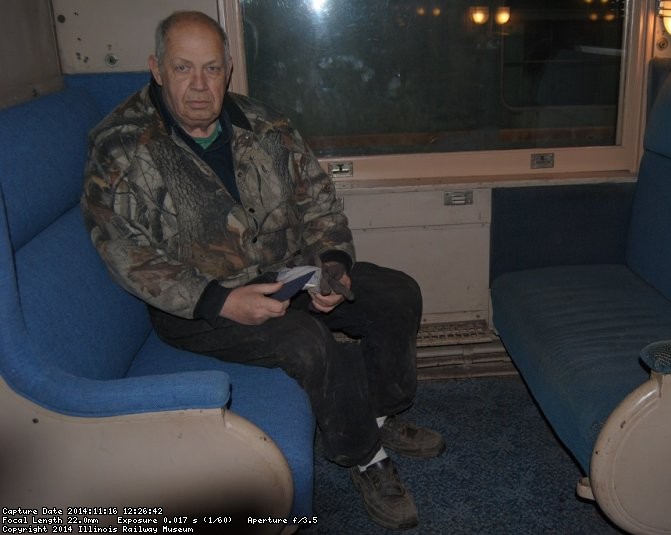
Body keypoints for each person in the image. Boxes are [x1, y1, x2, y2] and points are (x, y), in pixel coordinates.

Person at [81, 10, 444, 530]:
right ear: (156, 69)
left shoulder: (267, 124)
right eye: (184, 69)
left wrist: (332, 266)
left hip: (288, 271)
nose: (201, 86)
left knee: (396, 294)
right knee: (308, 340)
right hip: (198, 305)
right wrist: (222, 300)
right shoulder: (119, 146)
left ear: (229, 68)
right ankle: (364, 456)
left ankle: (380, 414)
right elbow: (123, 250)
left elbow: (318, 202)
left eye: (211, 68)